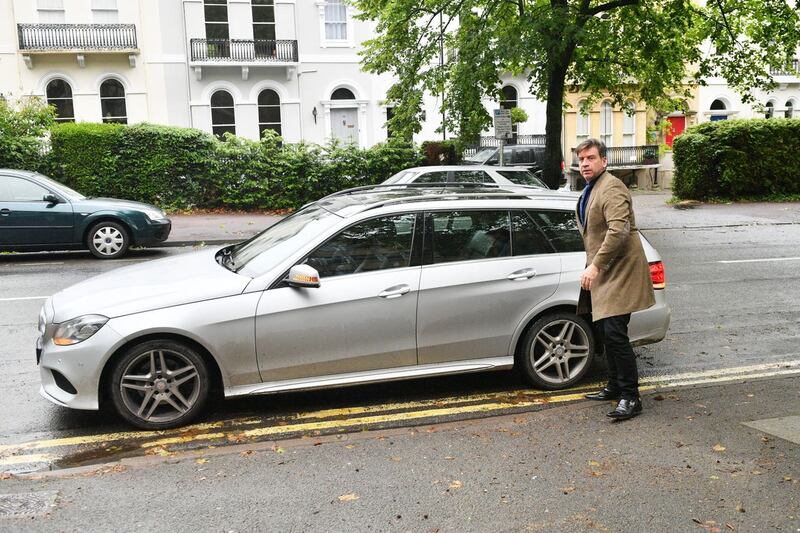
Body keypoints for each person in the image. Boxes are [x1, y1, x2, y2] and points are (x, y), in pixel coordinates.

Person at [574, 138, 656, 421]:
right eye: (581, 159)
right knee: (604, 331)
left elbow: (619, 232)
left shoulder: (612, 187)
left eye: (591, 158)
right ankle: (613, 385)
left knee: (615, 334)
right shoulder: (591, 188)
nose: (585, 163)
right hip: (607, 271)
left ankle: (631, 397)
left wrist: (595, 266)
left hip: (620, 270)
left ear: (604, 161)